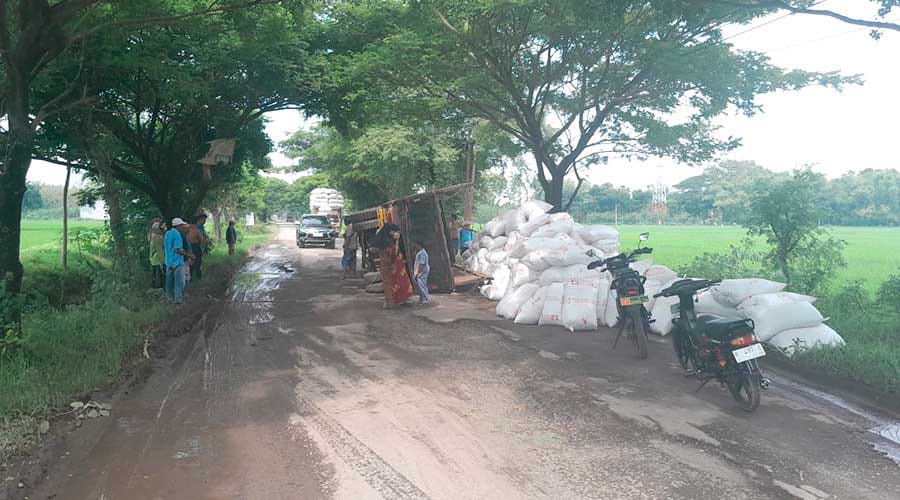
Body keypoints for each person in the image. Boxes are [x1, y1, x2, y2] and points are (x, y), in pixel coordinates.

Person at [374, 224, 414, 308]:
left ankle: (396, 300)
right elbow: (394, 252)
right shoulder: (387, 242)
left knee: (393, 283)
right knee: (392, 283)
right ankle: (391, 302)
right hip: (390, 266)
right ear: (390, 231)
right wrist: (397, 241)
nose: (395, 233)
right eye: (394, 231)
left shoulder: (383, 239)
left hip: (388, 265)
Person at [165, 218, 193, 304]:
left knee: (169, 283)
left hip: (168, 262)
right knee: (179, 283)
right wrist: (189, 255)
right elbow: (178, 250)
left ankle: (169, 300)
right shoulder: (177, 235)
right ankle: (178, 301)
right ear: (178, 226)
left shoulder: (167, 234)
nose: (183, 227)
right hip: (178, 262)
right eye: (182, 226)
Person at [188, 215, 208, 281]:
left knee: (191, 262)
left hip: (188, 247)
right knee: (198, 262)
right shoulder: (196, 231)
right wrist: (205, 241)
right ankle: (198, 276)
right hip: (196, 247)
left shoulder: (186, 230)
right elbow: (202, 241)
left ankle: (191, 277)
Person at [149, 220, 166, 289]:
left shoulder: (152, 236)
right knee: (160, 277)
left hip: (154, 259)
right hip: (158, 260)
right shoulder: (158, 238)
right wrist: (163, 262)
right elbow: (159, 251)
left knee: (155, 275)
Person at [413, 241, 430, 305]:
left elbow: (421, 264)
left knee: (422, 286)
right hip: (422, 271)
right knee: (422, 286)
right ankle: (422, 299)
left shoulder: (422, 253)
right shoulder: (422, 252)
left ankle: (425, 300)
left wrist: (418, 273)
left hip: (422, 272)